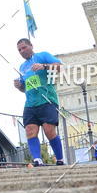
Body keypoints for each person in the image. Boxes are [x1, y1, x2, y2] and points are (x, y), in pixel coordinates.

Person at [14, 38, 64, 166]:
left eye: (24, 47)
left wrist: (44, 66)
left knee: (49, 130)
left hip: (47, 99)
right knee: (30, 131)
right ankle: (37, 160)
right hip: (30, 103)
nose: (22, 51)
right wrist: (19, 85)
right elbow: (24, 88)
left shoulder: (43, 56)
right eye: (19, 49)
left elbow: (60, 67)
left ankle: (60, 159)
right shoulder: (22, 67)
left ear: (31, 45)